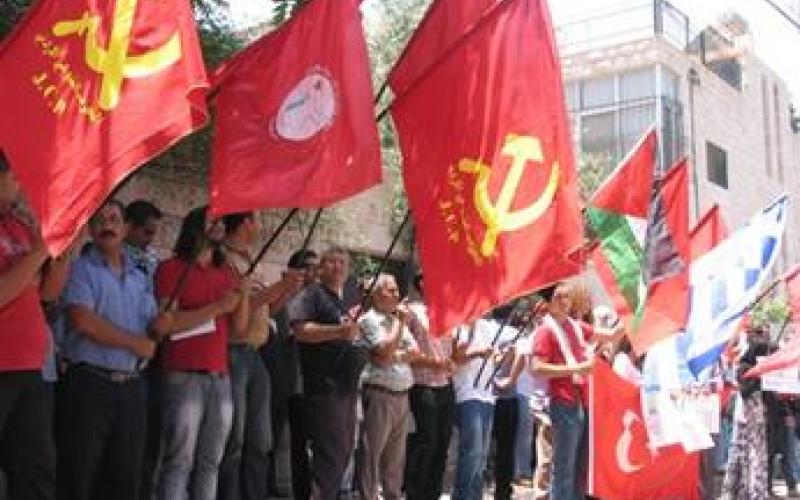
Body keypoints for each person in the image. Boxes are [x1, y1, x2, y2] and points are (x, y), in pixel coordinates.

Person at [57, 200, 172, 500]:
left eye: (114, 219)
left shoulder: (140, 275)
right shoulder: (80, 269)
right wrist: (136, 344)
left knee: (126, 478)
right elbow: (83, 320)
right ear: (91, 230)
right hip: (90, 385)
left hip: (133, 389)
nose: (107, 224)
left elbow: (149, 329)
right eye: (100, 219)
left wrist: (160, 326)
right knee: (79, 476)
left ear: (124, 228)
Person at [153, 206, 250, 500]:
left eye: (222, 220)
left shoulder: (226, 273)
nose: (220, 224)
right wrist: (218, 308)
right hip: (183, 373)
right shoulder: (171, 268)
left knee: (211, 462)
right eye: (212, 219)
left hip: (219, 375)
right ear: (195, 226)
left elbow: (239, 330)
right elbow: (166, 324)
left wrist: (243, 293)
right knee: (179, 460)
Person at [0, 152, 67, 500]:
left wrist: (61, 248)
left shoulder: (19, 226)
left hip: (29, 367)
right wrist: (40, 253)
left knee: (37, 468)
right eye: (14, 178)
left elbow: (47, 292)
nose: (21, 186)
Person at [532, 282, 623, 500]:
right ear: (548, 303)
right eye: (559, 297)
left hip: (581, 401)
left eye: (567, 297)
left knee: (581, 467)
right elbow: (536, 367)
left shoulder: (575, 326)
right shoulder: (545, 331)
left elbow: (610, 335)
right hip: (562, 402)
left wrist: (631, 315)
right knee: (564, 467)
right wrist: (576, 368)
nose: (564, 302)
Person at [290, 246, 362, 500]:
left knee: (342, 452)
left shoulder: (350, 299)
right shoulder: (312, 294)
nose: (337, 267)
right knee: (329, 454)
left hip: (347, 387)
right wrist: (337, 332)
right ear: (321, 267)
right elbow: (300, 330)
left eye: (342, 262)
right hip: (324, 386)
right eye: (331, 262)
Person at [217, 212, 277, 500]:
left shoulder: (251, 260)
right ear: (244, 224)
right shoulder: (224, 260)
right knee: (235, 440)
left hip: (255, 354)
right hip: (233, 352)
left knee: (260, 439)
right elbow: (236, 310)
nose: (259, 226)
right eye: (255, 220)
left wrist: (287, 289)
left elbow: (264, 309)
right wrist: (276, 290)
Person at [356, 273, 419, 500]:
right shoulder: (369, 320)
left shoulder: (394, 322)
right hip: (379, 394)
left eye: (396, 290)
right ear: (375, 293)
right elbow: (381, 352)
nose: (397, 294)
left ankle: (392, 495)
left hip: (402, 394)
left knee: (395, 458)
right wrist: (400, 326)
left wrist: (393, 353)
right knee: (372, 455)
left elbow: (414, 352)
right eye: (391, 290)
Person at [450, 305, 517, 500]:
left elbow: (493, 359)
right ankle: (462, 496)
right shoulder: (460, 325)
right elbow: (457, 357)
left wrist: (503, 356)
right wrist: (478, 352)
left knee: (481, 455)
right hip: (468, 394)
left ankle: (475, 495)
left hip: (487, 395)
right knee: (471, 452)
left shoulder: (486, 327)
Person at [266, 249, 318, 499]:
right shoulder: (283, 297)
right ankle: (266, 487)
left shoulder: (317, 300)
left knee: (300, 444)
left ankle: (302, 493)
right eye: (307, 267)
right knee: (270, 438)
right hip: (279, 378)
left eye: (315, 268)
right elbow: (280, 333)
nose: (312, 273)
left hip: (304, 383)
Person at [123, 199, 163, 500]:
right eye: (146, 232)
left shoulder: (152, 259)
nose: (151, 239)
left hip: (148, 353)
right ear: (129, 228)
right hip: (121, 349)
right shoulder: (115, 258)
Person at [403, 273, 455, 500]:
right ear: (422, 284)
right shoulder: (412, 311)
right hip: (422, 384)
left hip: (445, 384)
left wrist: (452, 361)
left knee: (443, 442)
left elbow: (452, 349)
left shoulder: (448, 311)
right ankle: (415, 492)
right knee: (427, 440)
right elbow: (406, 350)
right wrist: (434, 362)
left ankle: (433, 492)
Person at [721, 325, 770, 500]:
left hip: (752, 419)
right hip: (747, 418)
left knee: (746, 454)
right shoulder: (744, 367)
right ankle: (750, 492)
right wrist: (758, 376)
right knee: (748, 454)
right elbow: (745, 390)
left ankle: (746, 491)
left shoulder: (755, 368)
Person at [123, 200, 162, 280]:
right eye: (147, 232)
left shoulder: (152, 256)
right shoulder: (112, 253)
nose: (151, 239)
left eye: (153, 234)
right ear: (130, 226)